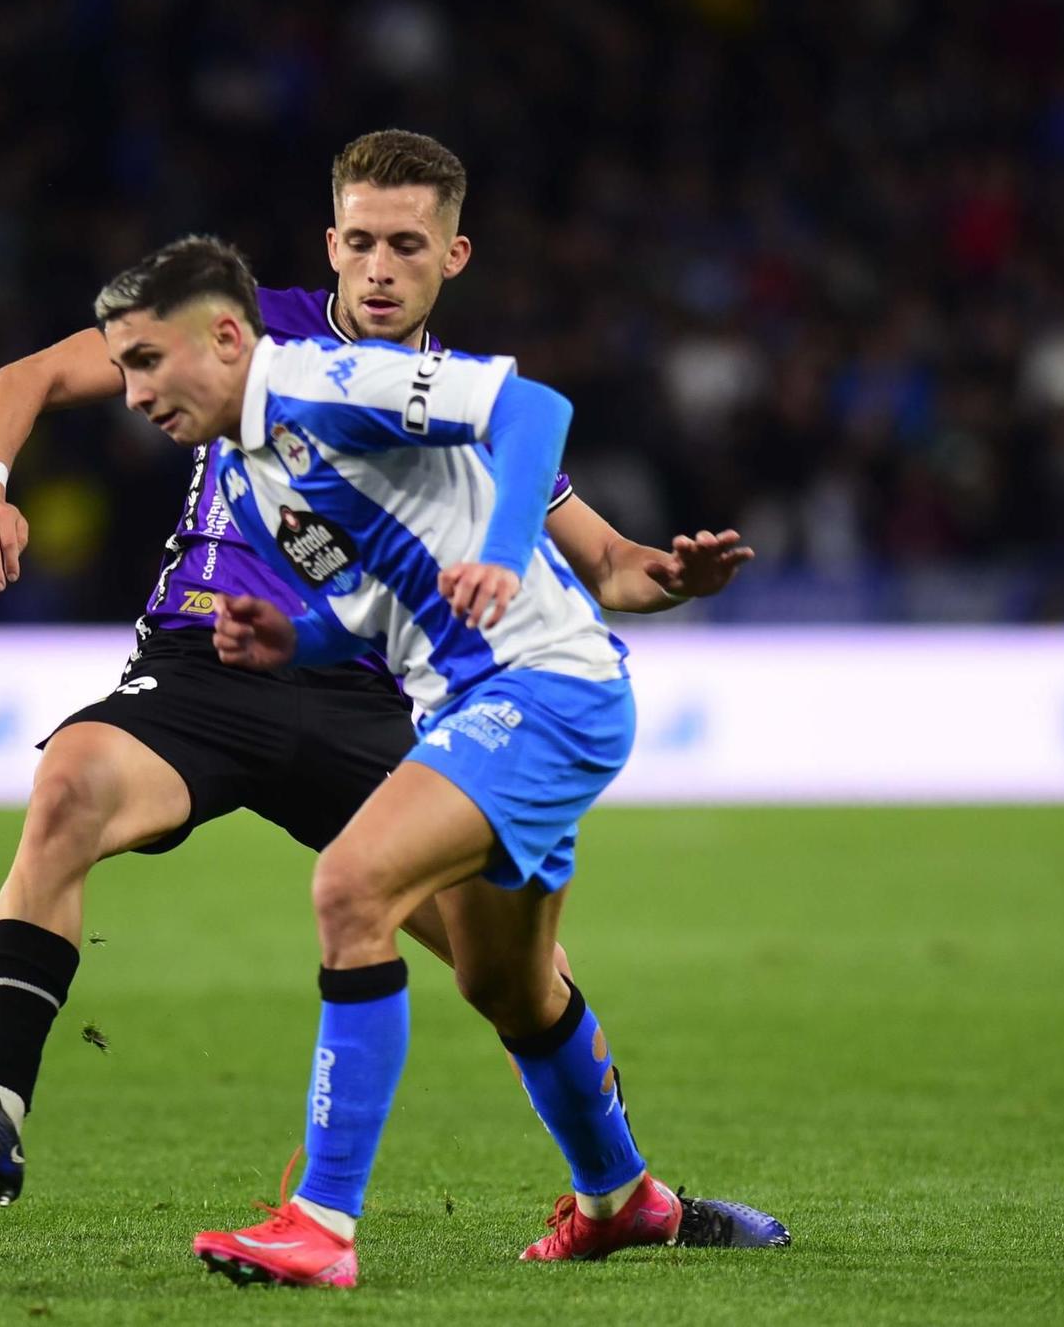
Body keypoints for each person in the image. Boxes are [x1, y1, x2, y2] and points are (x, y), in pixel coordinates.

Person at [0, 132, 764, 1251]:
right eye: (358, 242)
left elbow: (604, 561)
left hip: (382, 701)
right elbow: (29, 377)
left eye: (405, 246)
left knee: (514, 978)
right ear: (327, 245)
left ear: (452, 256)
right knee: (70, 784)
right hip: (215, 661)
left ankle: (623, 1193)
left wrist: (669, 573)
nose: (377, 269)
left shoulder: (446, 404)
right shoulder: (244, 339)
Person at [94, 232, 728, 1285]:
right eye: (121, 368)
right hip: (470, 705)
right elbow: (365, 609)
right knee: (511, 989)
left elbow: (533, 413)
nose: (129, 392)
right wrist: (289, 643)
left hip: (546, 687)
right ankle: (621, 1200)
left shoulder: (327, 380)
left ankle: (321, 1223)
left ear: (221, 336)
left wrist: (502, 540)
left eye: (145, 361)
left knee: (349, 883)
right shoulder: (250, 480)